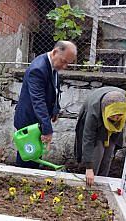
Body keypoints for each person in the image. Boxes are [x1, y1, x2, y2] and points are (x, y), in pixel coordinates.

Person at [14, 41, 77, 169]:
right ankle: (23, 182)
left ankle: (32, 176)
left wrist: (55, 110)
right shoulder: (38, 69)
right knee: (28, 158)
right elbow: (38, 101)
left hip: (37, 121)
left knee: (35, 155)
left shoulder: (51, 65)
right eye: (64, 61)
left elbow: (54, 89)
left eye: (67, 63)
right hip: (29, 122)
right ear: (55, 52)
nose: (64, 66)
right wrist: (47, 129)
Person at [74, 87, 126, 187]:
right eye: (114, 115)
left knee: (108, 154)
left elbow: (124, 117)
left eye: (120, 115)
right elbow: (88, 138)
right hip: (97, 119)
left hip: (114, 127)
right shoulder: (93, 113)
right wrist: (89, 167)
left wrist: (115, 123)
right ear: (106, 111)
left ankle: (102, 183)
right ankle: (90, 181)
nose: (116, 118)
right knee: (97, 152)